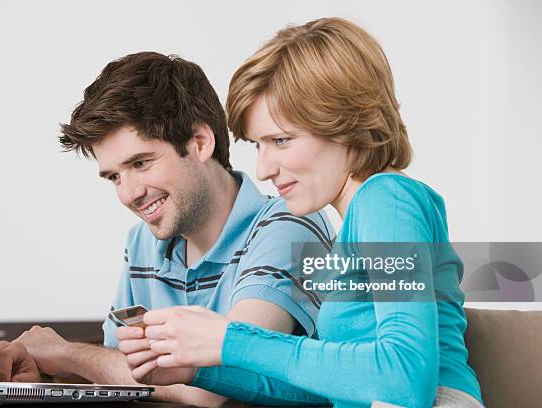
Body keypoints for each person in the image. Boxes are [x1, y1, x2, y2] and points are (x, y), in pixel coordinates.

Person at [118, 18, 484, 408]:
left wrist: (230, 340)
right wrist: (201, 369)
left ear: (347, 122)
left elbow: (406, 379)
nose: (263, 169)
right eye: (258, 145)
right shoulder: (357, 226)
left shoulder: (387, 199)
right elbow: (327, 385)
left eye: (281, 140)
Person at [0, 52, 333, 406]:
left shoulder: (289, 225)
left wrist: (67, 354)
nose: (129, 193)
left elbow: (217, 386)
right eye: (114, 177)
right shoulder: (143, 243)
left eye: (141, 163)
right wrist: (41, 375)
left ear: (199, 142)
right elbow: (119, 367)